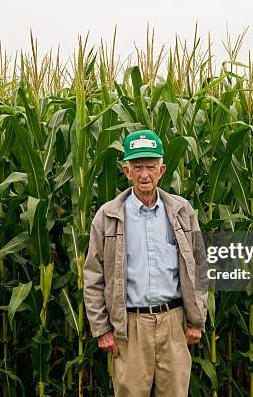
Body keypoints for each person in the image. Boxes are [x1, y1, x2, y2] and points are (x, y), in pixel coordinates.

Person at [84, 129, 208, 396]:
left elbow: (199, 267)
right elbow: (93, 278)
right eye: (137, 167)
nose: (144, 175)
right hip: (130, 327)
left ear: (161, 170)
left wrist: (197, 320)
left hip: (173, 322)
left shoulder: (182, 212)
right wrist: (102, 329)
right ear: (126, 171)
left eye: (150, 167)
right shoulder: (107, 217)